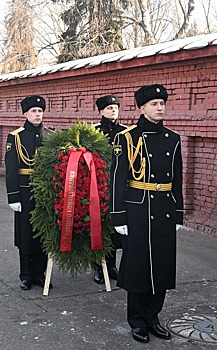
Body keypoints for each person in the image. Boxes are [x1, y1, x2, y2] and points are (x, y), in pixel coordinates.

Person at [110, 84, 183, 343]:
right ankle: (137, 320)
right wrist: (118, 216)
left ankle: (154, 317)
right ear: (142, 107)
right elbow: (118, 179)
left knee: (162, 264)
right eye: (154, 104)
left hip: (164, 207)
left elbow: (177, 179)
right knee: (138, 264)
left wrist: (178, 213)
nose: (160, 107)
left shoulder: (173, 138)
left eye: (162, 103)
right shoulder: (127, 138)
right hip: (138, 208)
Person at [5, 95, 53, 291]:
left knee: (43, 233)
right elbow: (11, 168)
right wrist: (13, 196)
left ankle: (40, 274)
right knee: (26, 235)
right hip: (24, 192)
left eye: (40, 111)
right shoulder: (16, 136)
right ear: (25, 113)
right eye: (34, 111)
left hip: (45, 193)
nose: (37, 114)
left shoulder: (51, 135)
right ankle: (25, 275)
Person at [93, 94, 127, 285]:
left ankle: (112, 266)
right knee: (98, 225)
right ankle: (98, 267)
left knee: (115, 226)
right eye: (109, 108)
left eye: (115, 108)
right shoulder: (94, 132)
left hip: (118, 186)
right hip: (96, 186)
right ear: (101, 111)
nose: (113, 111)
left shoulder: (126, 132)